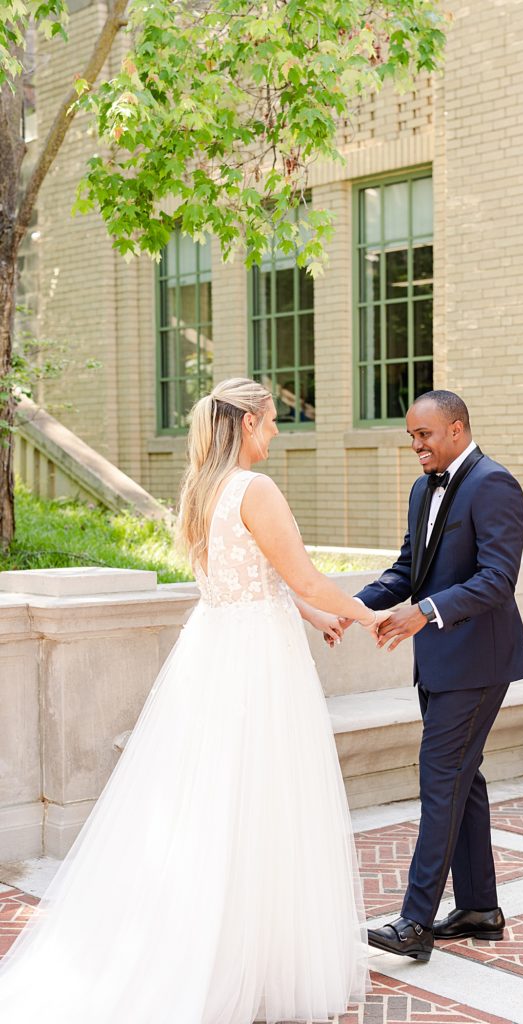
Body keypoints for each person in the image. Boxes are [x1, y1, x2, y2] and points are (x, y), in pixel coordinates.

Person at [0, 378, 377, 1023]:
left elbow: (256, 582)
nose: (278, 431)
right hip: (258, 663)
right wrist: (377, 616)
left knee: (209, 802)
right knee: (262, 800)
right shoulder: (256, 490)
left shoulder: (202, 492)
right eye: (272, 420)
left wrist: (317, 617)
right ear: (248, 423)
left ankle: (220, 946)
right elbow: (304, 575)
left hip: (215, 652)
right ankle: (245, 961)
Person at [352, 390, 523, 963]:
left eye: (423, 435)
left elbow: (497, 580)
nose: (415, 445)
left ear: (456, 429)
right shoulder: (420, 488)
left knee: (441, 780)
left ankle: (415, 922)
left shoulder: (494, 483)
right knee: (463, 779)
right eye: (410, 436)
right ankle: (479, 908)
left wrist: (424, 612)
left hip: (480, 663)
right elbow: (410, 569)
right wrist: (350, 609)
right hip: (439, 662)